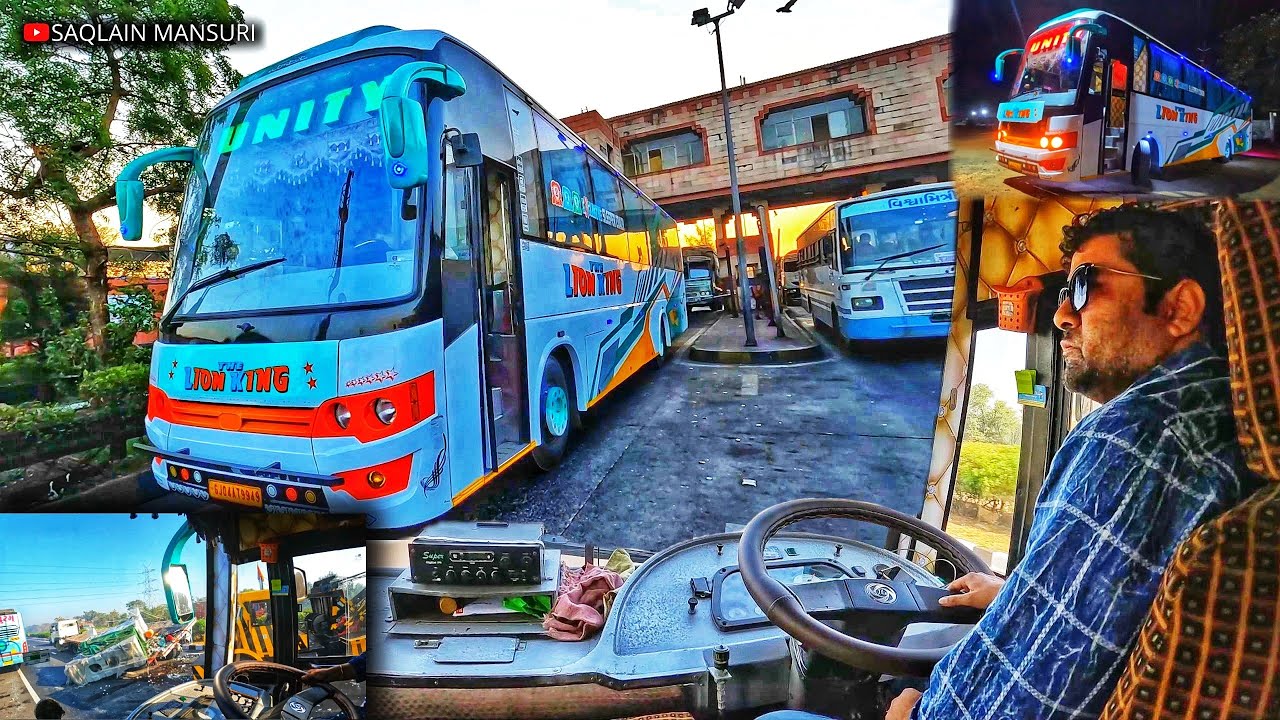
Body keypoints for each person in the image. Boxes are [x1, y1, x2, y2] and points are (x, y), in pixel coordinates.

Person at [762, 205, 1263, 720]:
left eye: (1086, 286)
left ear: (1179, 308)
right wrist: (1016, 592)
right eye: (1063, 292)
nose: (1062, 314)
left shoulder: (1143, 435)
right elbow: (1096, 614)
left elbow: (1044, 691)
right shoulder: (1222, 424)